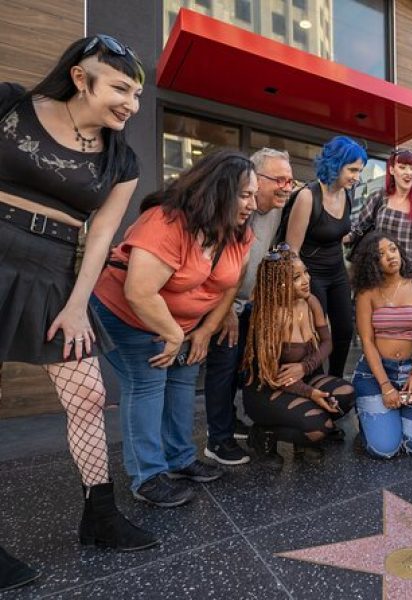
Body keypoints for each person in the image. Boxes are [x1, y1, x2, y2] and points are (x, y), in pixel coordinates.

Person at [0, 35, 155, 588]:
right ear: (81, 78)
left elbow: (101, 238)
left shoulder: (123, 160)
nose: (131, 105)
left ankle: (101, 515)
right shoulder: (11, 104)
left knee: (88, 393)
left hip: (56, 269)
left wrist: (76, 306)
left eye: (137, 95)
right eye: (120, 89)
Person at [91, 149, 256, 507]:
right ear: (220, 190)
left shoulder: (238, 232)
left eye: (254, 195)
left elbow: (231, 282)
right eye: (245, 195)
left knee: (182, 380)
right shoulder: (165, 222)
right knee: (148, 382)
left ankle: (180, 459)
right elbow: (138, 292)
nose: (252, 204)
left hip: (183, 324)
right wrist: (175, 333)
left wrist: (207, 328)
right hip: (129, 314)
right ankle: (147, 475)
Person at [203, 147, 294, 466]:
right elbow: (213, 263)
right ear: (256, 179)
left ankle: (229, 422)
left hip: (251, 304)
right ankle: (218, 440)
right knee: (222, 369)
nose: (286, 186)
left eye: (290, 180)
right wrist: (224, 309)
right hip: (222, 304)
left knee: (240, 369)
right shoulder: (236, 208)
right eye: (279, 179)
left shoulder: (279, 210)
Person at [241, 248, 355, 464]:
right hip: (267, 390)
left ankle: (301, 441)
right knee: (321, 427)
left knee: (346, 394)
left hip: (301, 378)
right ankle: (263, 433)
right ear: (278, 283)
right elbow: (273, 376)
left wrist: (305, 367)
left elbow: (327, 342)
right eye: (296, 277)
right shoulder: (270, 317)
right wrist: (311, 393)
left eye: (306, 273)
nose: (306, 280)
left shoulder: (310, 301)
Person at [285, 135, 367, 377]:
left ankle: (336, 379)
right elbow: (291, 252)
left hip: (337, 272)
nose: (356, 177)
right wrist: (300, 289)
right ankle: (315, 380)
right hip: (311, 275)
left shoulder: (347, 195)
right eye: (352, 170)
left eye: (359, 171)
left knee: (344, 330)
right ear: (335, 164)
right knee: (316, 334)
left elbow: (338, 234)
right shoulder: (308, 196)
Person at [351, 232, 412, 458]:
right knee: (385, 449)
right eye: (381, 254)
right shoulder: (366, 294)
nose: (390, 256)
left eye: (392, 249)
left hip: (411, 372)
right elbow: (367, 341)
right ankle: (370, 418)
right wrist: (386, 386)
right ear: (372, 262)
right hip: (375, 374)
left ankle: (389, 417)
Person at [349, 148, 412, 336]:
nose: (407, 172)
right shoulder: (379, 198)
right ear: (391, 170)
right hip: (379, 277)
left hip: (411, 278)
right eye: (402, 167)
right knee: (378, 331)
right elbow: (356, 229)